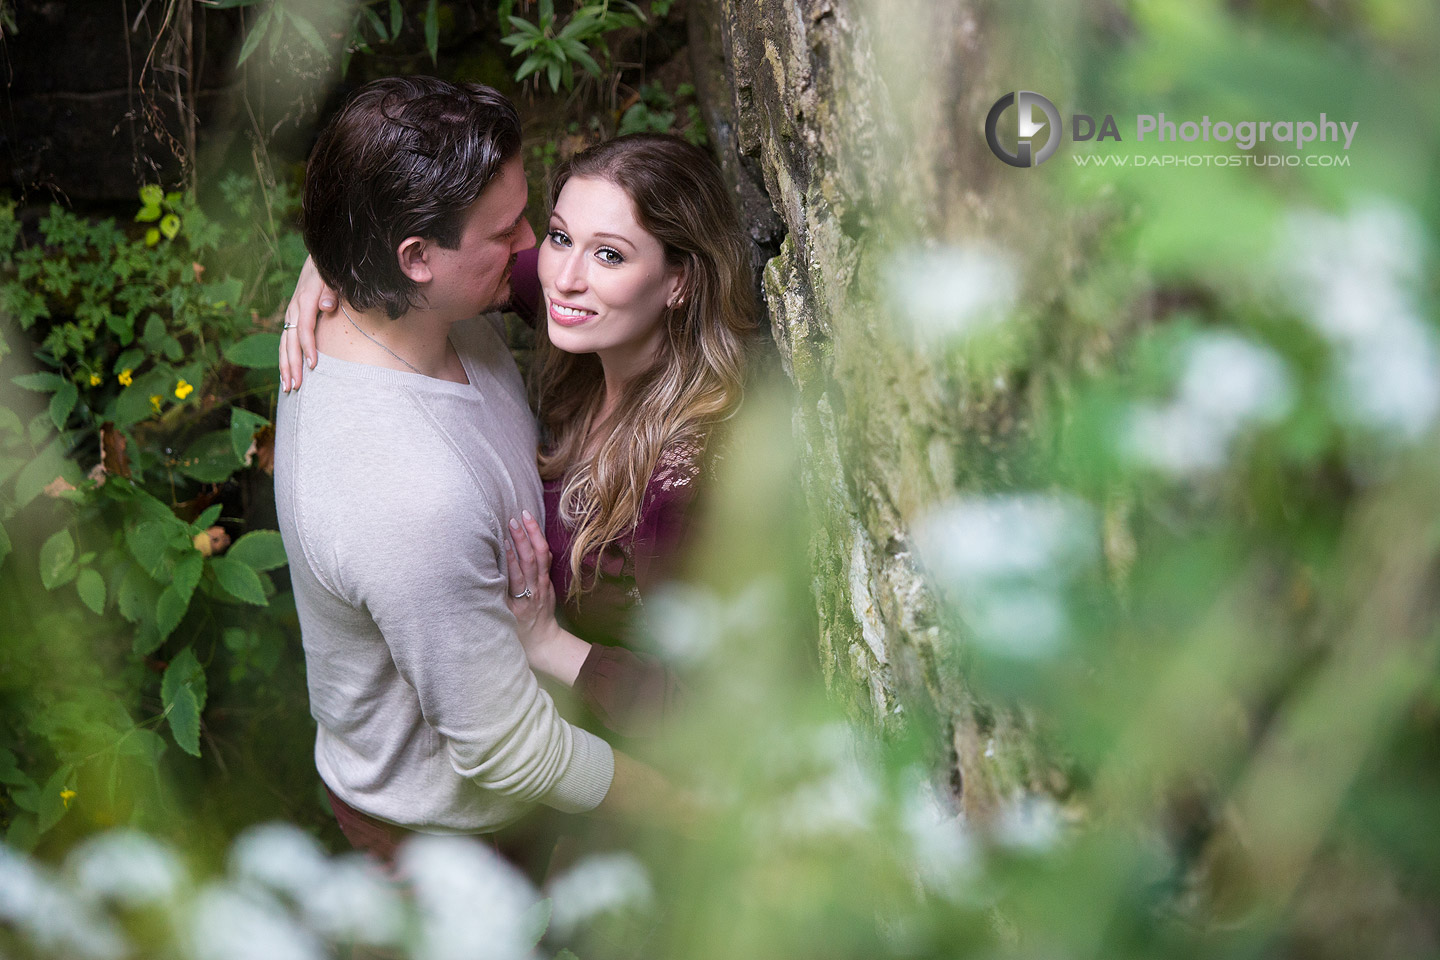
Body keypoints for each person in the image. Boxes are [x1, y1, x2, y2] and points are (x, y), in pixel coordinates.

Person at [274, 78, 681, 870]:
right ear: (416, 258)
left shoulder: (403, 302)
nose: (533, 250)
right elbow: (510, 751)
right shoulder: (405, 496)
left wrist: (323, 260)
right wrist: (692, 811)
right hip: (446, 838)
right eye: (506, 233)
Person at [281, 133, 756, 741]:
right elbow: (423, 250)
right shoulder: (589, 313)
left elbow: (715, 713)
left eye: (610, 255)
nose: (563, 279)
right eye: (559, 236)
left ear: (679, 281)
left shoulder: (681, 482)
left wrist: (549, 643)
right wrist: (329, 264)